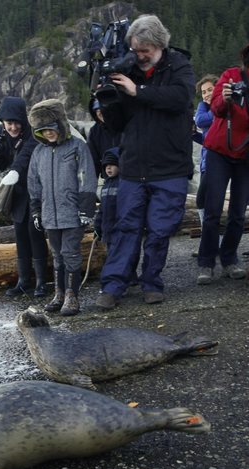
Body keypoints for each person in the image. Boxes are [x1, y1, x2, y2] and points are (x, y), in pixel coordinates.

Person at [94, 14, 195, 310]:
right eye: (136, 50)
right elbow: (116, 125)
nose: (139, 56)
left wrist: (138, 91)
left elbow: (179, 98)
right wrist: (106, 104)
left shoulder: (179, 65)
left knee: (160, 229)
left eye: (145, 50)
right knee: (125, 229)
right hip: (134, 166)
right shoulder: (127, 71)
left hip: (170, 166)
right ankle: (113, 287)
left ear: (159, 45)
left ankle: (152, 282)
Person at [27, 98, 97, 316]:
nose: (48, 133)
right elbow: (33, 182)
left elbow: (87, 177)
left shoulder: (77, 147)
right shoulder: (39, 152)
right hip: (49, 214)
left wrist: (86, 208)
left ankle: (72, 296)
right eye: (43, 130)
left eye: (51, 128)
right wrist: (36, 210)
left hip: (73, 212)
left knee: (70, 253)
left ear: (61, 125)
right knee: (57, 255)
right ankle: (58, 293)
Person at [196, 45, 249, 284]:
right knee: (213, 210)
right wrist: (226, 99)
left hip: (245, 155)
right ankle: (206, 262)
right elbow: (215, 109)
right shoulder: (230, 76)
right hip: (218, 151)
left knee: (238, 212)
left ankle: (229, 258)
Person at [0, 96, 48, 297]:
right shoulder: (1, 132)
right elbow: (3, 163)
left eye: (16, 123)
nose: (12, 127)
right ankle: (24, 281)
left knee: (34, 231)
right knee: (20, 232)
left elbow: (26, 155)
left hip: (37, 188)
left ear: (23, 120)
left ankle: (41, 282)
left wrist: (15, 171)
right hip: (18, 190)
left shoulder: (32, 133)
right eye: (9, 123)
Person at [95, 147, 139, 285]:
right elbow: (102, 208)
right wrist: (98, 226)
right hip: (108, 229)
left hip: (122, 227)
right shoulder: (106, 185)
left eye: (112, 165)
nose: (108, 169)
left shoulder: (125, 183)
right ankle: (120, 278)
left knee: (127, 254)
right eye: (106, 166)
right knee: (113, 255)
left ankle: (130, 275)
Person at [193, 74, 218, 226]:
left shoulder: (223, 107)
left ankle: (211, 241)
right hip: (206, 162)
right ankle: (211, 241)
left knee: (202, 200)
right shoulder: (208, 109)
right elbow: (208, 140)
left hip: (219, 162)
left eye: (210, 90)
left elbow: (200, 120)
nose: (207, 94)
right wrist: (195, 135)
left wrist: (203, 108)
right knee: (204, 201)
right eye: (203, 92)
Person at [87, 99, 121, 187]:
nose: (99, 113)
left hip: (130, 180)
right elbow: (93, 163)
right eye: (96, 110)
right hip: (109, 181)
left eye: (102, 109)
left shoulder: (127, 126)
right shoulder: (95, 131)